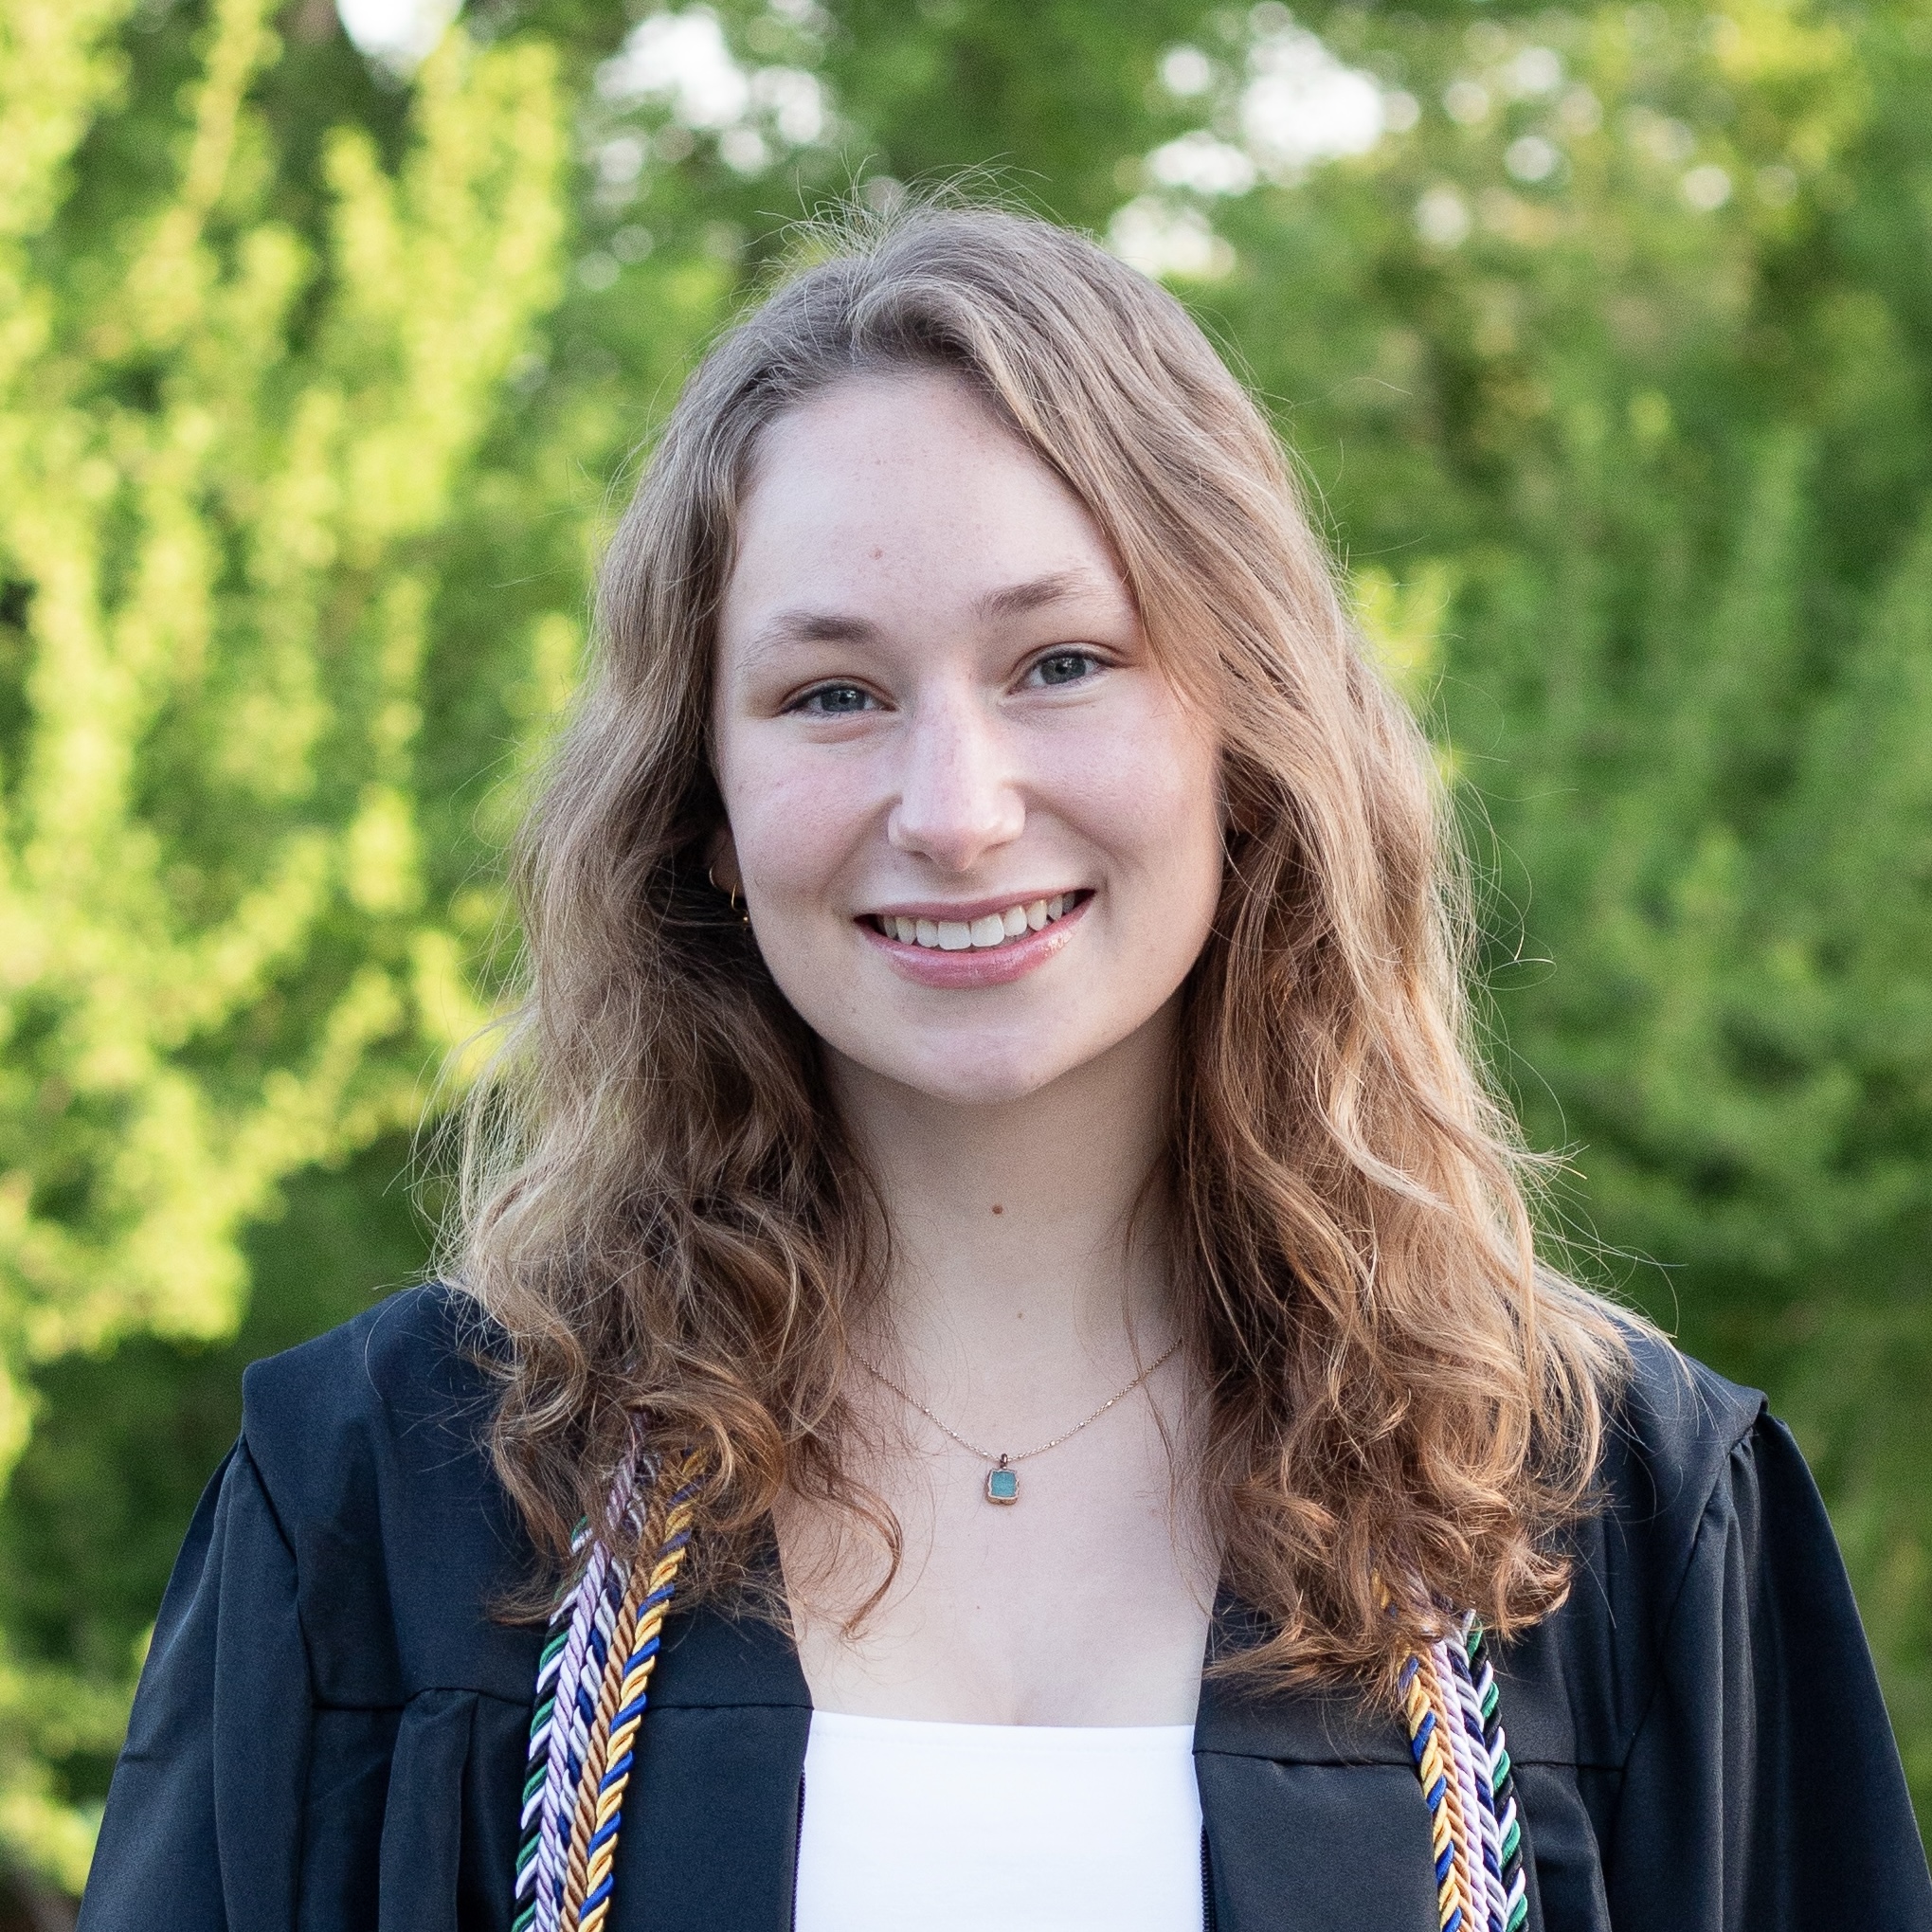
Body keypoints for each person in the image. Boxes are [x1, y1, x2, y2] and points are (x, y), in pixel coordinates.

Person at [79, 204, 1930, 1932]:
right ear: (703, 804)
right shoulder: (387, 1505)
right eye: (833, 693)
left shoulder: (1605, 1515)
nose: (956, 812)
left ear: (1247, 732)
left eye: (1060, 662)